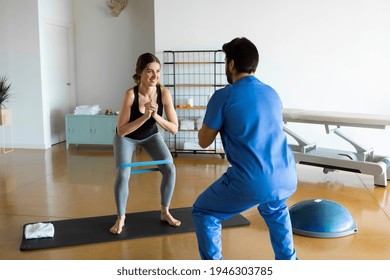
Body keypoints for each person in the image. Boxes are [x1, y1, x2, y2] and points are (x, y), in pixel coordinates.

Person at [192, 37, 298, 260]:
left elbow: (203, 141)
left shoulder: (223, 96)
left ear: (230, 64)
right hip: (286, 175)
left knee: (204, 211)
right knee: (275, 209)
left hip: (252, 181)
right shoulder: (272, 93)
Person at [110, 53, 181, 235]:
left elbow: (174, 128)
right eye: (149, 71)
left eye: (157, 71)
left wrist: (155, 116)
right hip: (127, 138)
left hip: (151, 136)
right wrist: (145, 117)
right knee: (124, 172)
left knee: (170, 168)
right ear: (140, 73)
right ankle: (121, 218)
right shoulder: (130, 94)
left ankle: (165, 212)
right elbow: (122, 130)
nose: (154, 76)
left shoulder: (164, 93)